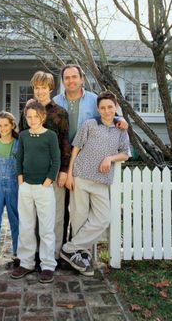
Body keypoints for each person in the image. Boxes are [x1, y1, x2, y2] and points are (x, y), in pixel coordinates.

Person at [53, 64, 128, 244]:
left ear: (82, 79)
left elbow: (108, 114)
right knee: (59, 210)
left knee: (81, 212)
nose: (71, 81)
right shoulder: (55, 101)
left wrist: (120, 118)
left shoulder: (94, 100)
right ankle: (59, 251)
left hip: (85, 162)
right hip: (61, 159)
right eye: (67, 78)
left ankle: (76, 248)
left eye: (74, 77)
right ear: (63, 81)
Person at [60, 91, 131, 276]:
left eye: (110, 107)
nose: (106, 111)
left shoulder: (121, 129)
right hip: (81, 176)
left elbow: (125, 153)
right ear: (98, 109)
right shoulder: (90, 124)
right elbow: (76, 148)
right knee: (79, 217)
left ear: (116, 107)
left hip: (101, 181)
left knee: (103, 218)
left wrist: (110, 158)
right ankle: (81, 258)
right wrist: (70, 174)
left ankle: (68, 248)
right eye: (103, 108)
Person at [18, 71, 70, 259]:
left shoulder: (60, 113)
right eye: (37, 88)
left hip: (53, 173)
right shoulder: (27, 111)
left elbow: (65, 143)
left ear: (50, 89)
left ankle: (53, 256)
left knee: (55, 216)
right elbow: (21, 138)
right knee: (32, 217)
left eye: (43, 87)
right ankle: (35, 254)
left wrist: (64, 170)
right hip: (31, 174)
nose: (40, 91)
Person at [11, 101, 61, 283]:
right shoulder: (24, 135)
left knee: (46, 228)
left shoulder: (50, 136)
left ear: (43, 117)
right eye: (29, 117)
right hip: (25, 186)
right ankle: (26, 262)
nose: (32, 120)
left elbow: (56, 160)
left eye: (35, 116)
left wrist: (48, 180)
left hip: (44, 187)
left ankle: (47, 265)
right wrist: (20, 179)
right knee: (26, 226)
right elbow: (19, 158)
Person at [0, 111, 19, 263]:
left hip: (14, 186)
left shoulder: (18, 143)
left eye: (6, 125)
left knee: (15, 218)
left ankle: (18, 250)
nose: (3, 128)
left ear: (12, 125)